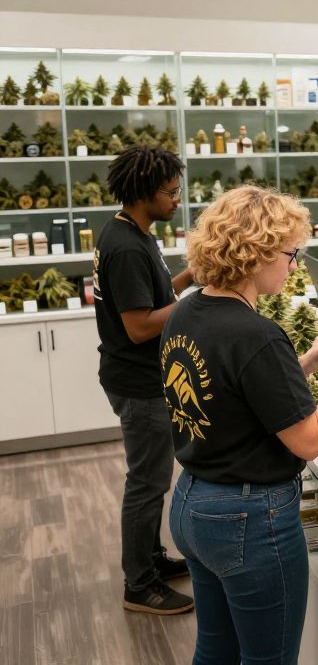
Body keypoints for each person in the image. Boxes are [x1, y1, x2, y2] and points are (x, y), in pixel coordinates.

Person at [161, 186, 318, 664]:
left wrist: (306, 361)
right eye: (290, 253)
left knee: (216, 648)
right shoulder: (256, 334)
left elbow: (232, 395)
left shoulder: (188, 309)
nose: (294, 264)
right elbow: (309, 439)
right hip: (246, 520)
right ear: (256, 253)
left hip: (191, 504)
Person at [94, 145, 195, 615]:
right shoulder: (127, 247)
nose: (177, 200)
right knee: (148, 482)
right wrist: (200, 302)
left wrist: (191, 276)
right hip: (138, 383)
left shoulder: (132, 232)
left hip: (139, 376)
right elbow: (139, 326)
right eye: (171, 192)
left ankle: (152, 558)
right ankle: (140, 584)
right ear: (144, 191)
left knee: (152, 477)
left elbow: (154, 297)